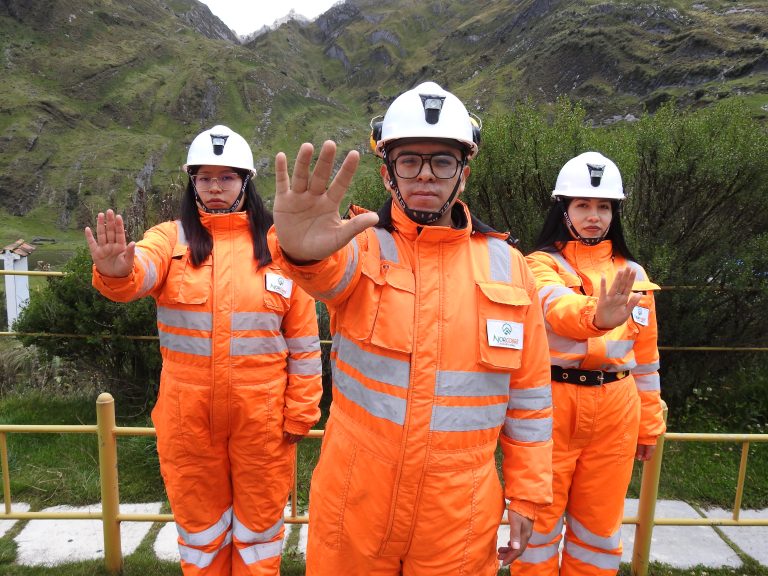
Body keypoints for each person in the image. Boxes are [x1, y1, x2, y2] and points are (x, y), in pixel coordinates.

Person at [267, 81, 553, 575]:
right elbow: (323, 274)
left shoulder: (510, 268)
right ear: (387, 174)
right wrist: (299, 250)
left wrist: (527, 494)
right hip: (355, 500)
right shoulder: (360, 246)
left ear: (463, 174)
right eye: (409, 161)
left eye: (441, 161)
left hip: (458, 514)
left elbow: (530, 396)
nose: (425, 174)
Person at [85, 125, 323, 575]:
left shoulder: (280, 247)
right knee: (200, 532)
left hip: (264, 419)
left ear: (245, 182)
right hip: (187, 418)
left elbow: (304, 344)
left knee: (259, 533)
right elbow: (139, 272)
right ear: (192, 182)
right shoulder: (168, 239)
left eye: (226, 177)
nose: (215, 187)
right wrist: (117, 272)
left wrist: (301, 411)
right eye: (205, 177)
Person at [514, 152, 666, 575]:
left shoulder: (634, 273)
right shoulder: (539, 265)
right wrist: (598, 316)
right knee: (538, 522)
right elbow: (556, 308)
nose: (594, 216)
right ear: (563, 209)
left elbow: (646, 360)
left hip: (617, 410)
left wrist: (649, 424)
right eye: (582, 205)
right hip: (552, 406)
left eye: (604, 207)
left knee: (600, 528)